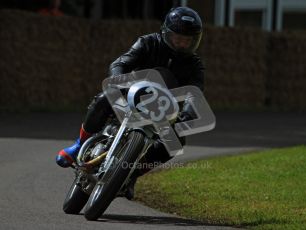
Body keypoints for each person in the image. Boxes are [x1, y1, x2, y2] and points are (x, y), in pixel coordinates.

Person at [56, 6, 204, 199]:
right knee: (103, 98)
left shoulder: (195, 65)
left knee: (175, 142)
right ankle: (79, 145)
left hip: (161, 109)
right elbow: (120, 63)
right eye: (178, 38)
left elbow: (196, 92)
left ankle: (132, 175)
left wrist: (189, 112)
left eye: (187, 40)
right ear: (166, 33)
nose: (182, 44)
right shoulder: (148, 42)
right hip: (131, 93)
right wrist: (118, 80)